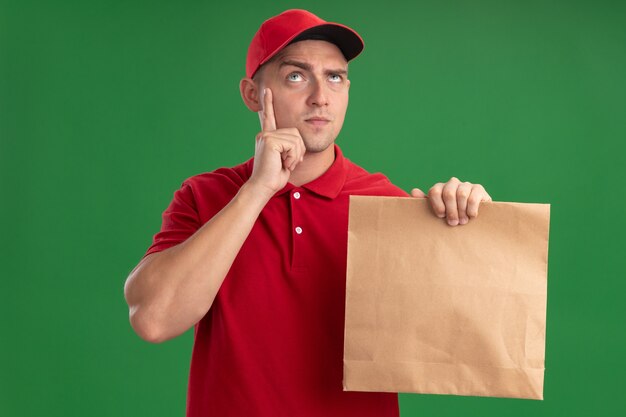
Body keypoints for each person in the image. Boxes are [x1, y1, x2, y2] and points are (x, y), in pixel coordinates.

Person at [124, 9, 492, 417]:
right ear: (251, 94)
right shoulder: (206, 195)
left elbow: (464, 333)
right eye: (296, 76)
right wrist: (258, 190)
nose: (321, 95)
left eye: (335, 77)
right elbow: (153, 319)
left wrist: (472, 227)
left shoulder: (386, 205)